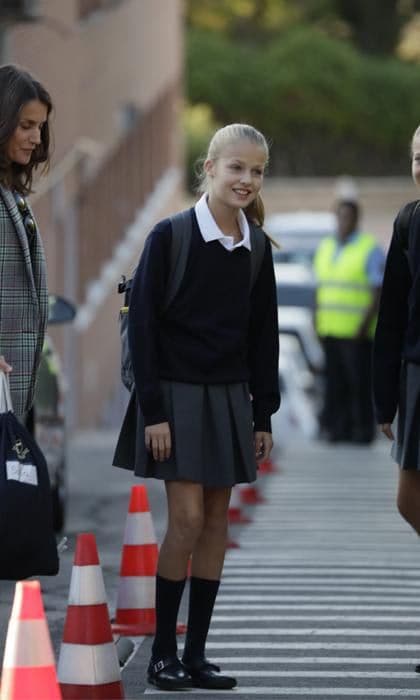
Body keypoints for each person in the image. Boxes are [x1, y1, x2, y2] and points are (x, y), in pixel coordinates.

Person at [113, 123, 280, 690]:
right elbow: (143, 329)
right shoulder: (171, 235)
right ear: (208, 168)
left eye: (256, 171)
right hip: (176, 399)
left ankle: (198, 655)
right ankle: (163, 654)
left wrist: (263, 416)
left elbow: (265, 337)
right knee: (184, 520)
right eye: (236, 167)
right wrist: (153, 411)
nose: (246, 180)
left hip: (231, 398)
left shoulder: (256, 248)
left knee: (214, 524)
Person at [373, 126, 420, 635]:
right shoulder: (410, 220)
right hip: (415, 378)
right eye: (416, 157)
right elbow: (390, 315)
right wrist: (383, 399)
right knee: (409, 500)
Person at [0, 64, 52, 423]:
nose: (36, 138)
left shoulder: (12, 192)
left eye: (40, 127)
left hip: (14, 390)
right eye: (26, 126)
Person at [313, 199, 385, 444]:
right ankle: (337, 429)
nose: (344, 221)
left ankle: (362, 431)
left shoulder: (368, 248)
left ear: (356, 219)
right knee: (335, 384)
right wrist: (317, 321)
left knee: (359, 384)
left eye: (348, 217)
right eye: (340, 216)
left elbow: (377, 290)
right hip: (330, 329)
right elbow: (320, 288)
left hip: (358, 333)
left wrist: (364, 325)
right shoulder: (326, 247)